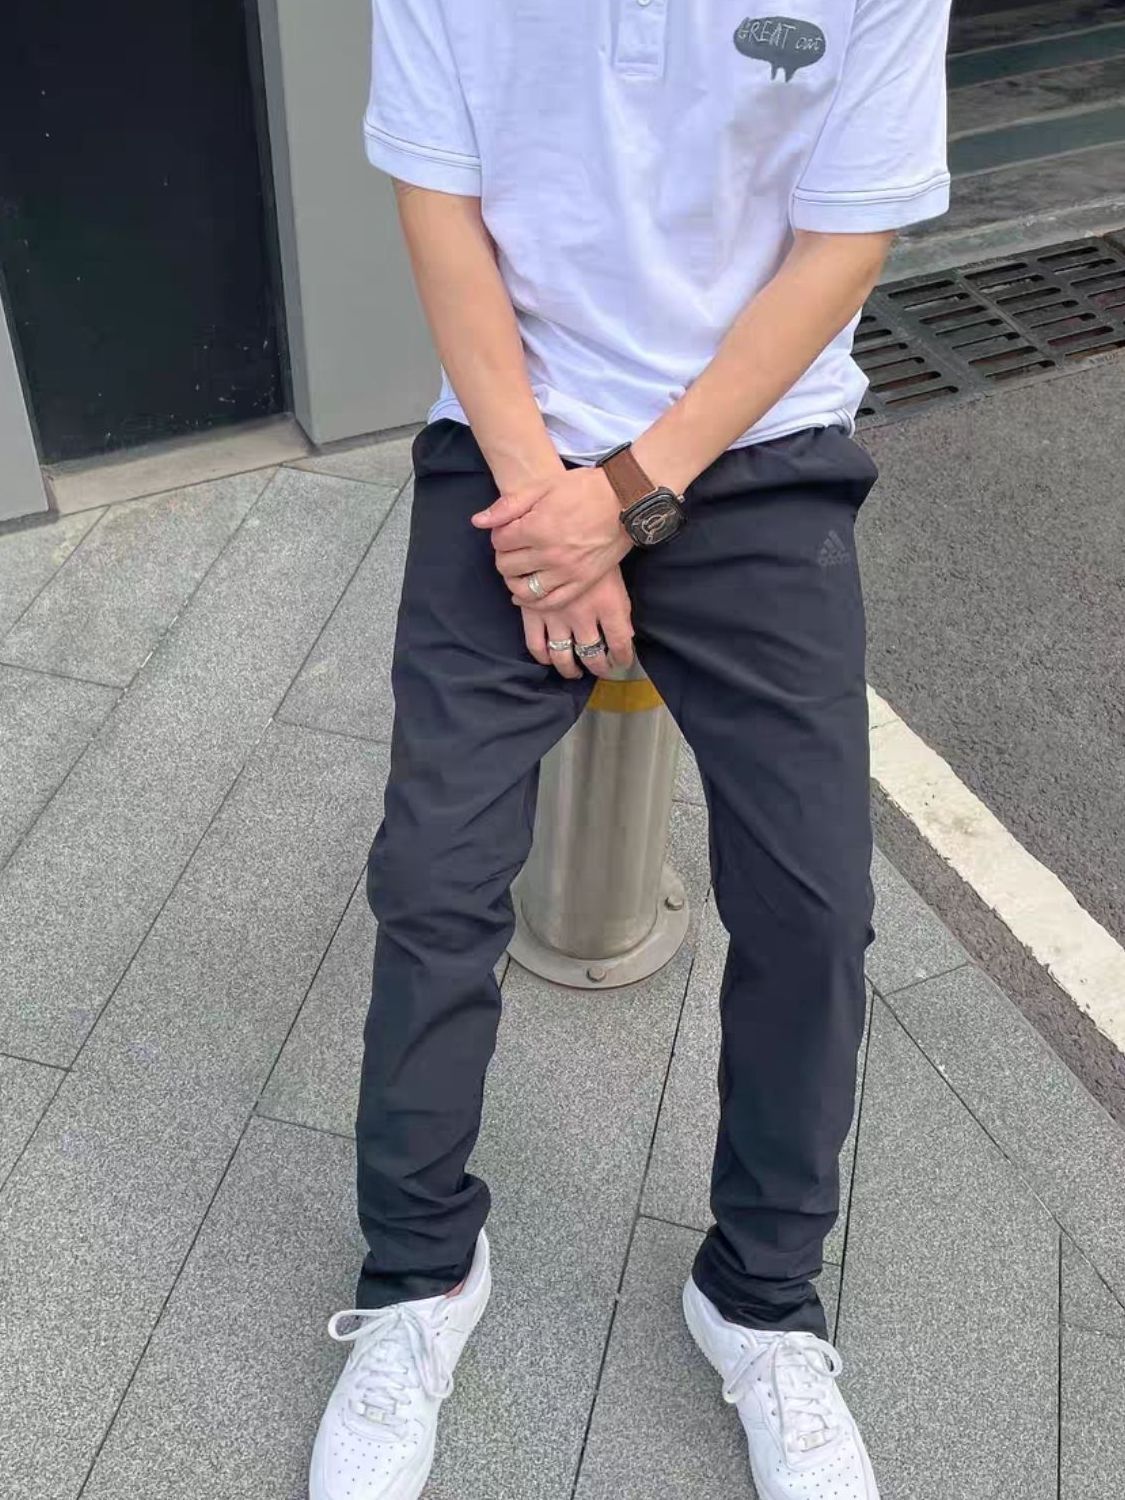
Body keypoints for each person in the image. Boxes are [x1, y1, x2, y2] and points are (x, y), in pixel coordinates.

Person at [310, 4, 952, 1497]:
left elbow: (842, 245)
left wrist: (628, 498)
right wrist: (552, 508)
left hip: (759, 451)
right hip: (513, 446)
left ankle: (760, 1301)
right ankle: (417, 1278)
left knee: (812, 906)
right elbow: (441, 213)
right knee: (433, 877)